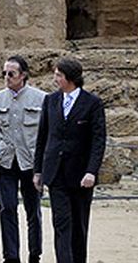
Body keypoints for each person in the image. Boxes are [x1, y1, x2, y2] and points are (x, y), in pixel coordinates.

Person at [33, 58, 107, 263]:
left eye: (59, 75)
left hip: (81, 174)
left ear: (70, 78)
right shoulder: (50, 100)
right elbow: (42, 137)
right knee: (61, 223)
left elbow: (98, 140)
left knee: (79, 225)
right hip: (55, 173)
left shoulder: (92, 103)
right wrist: (38, 170)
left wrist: (91, 171)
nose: (55, 79)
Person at [0, 56, 47, 263]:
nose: (7, 77)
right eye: (4, 73)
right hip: (5, 162)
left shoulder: (41, 99)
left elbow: (47, 133)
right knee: (7, 208)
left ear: (23, 75)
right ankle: (11, 257)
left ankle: (34, 254)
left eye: (11, 73)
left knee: (33, 210)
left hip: (31, 162)